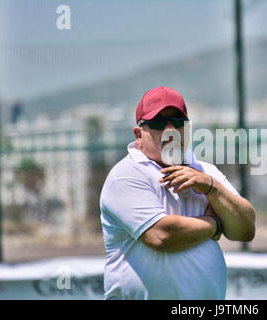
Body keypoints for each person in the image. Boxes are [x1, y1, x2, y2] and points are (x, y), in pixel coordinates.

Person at [99, 86, 256, 300]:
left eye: (178, 122)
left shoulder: (206, 173)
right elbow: (162, 236)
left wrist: (211, 186)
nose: (170, 129)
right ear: (138, 134)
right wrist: (215, 223)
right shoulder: (127, 175)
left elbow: (245, 230)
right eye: (158, 123)